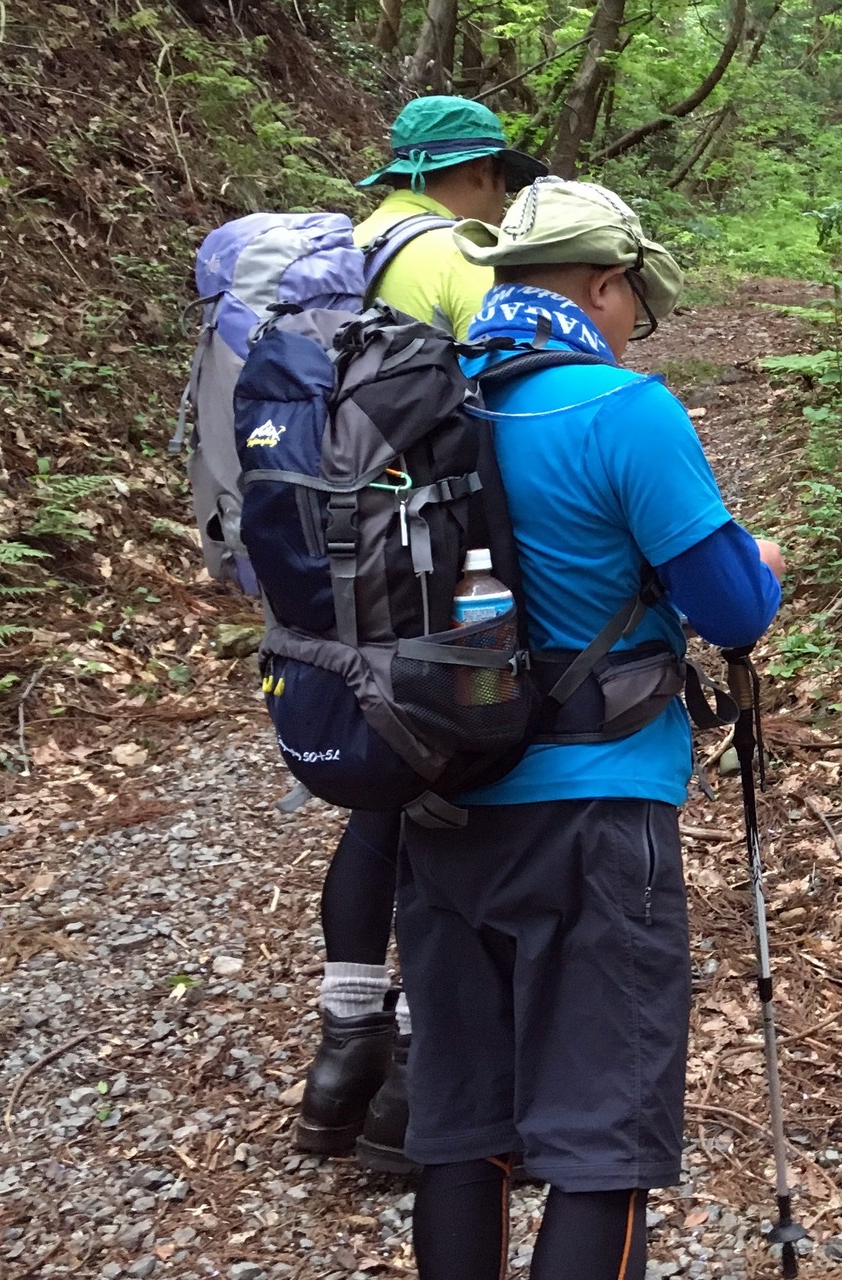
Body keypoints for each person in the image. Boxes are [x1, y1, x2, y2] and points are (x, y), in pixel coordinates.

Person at [396, 178, 785, 1280]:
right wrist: (761, 564)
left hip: (434, 791)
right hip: (596, 809)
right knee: (600, 1138)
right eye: (633, 305)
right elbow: (730, 610)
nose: (630, 326)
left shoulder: (417, 402)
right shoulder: (622, 409)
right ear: (606, 285)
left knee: (461, 1127)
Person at [293, 95, 549, 1175]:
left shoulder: (338, 256)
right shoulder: (451, 252)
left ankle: (345, 1045)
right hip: (430, 576)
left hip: (335, 570)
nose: (501, 199)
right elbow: (511, 383)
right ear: (472, 173)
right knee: (456, 786)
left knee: (382, 793)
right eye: (498, 180)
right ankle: (419, 1086)